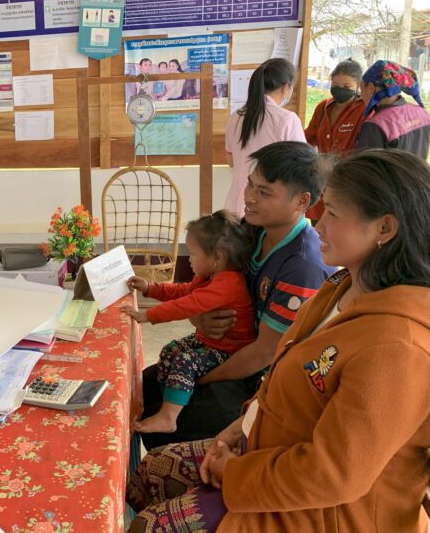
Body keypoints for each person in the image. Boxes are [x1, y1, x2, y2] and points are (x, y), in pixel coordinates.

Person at [127, 149, 430, 532]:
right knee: (150, 470)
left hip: (324, 511)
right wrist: (239, 429)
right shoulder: (341, 286)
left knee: (149, 526)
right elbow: (281, 371)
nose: (318, 225)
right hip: (264, 445)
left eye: (333, 213)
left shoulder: (399, 348)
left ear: (384, 229)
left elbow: (331, 477)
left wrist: (235, 474)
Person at [137, 142, 334, 452]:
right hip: (228, 350)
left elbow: (264, 354)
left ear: (302, 201)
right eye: (250, 184)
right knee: (146, 384)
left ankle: (202, 487)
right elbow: (202, 291)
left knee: (167, 405)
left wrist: (196, 379)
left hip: (262, 381)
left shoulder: (302, 266)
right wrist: (198, 318)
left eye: (265, 192)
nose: (250, 198)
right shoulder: (250, 230)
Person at [121, 211, 255, 434]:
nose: (189, 259)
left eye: (192, 254)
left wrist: (149, 315)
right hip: (210, 341)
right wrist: (151, 288)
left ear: (217, 258)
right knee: (170, 350)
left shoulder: (229, 283)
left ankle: (169, 417)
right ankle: (170, 398)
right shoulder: (207, 275)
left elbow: (190, 304)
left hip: (229, 350)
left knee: (185, 360)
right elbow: (184, 291)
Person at [223, 58, 306, 217]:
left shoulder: (235, 117)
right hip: (271, 205)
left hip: (236, 204)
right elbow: (301, 168)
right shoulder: (287, 119)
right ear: (286, 87)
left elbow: (231, 161)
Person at [304, 58, 366, 221]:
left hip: (348, 181)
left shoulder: (363, 109)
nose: (340, 90)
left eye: (347, 87)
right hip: (321, 179)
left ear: (358, 86)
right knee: (318, 228)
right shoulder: (323, 107)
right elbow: (308, 137)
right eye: (336, 86)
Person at [356, 60, 430, 158]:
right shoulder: (423, 113)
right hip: (418, 173)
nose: (361, 96)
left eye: (361, 90)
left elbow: (366, 169)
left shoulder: (375, 125)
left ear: (371, 88)